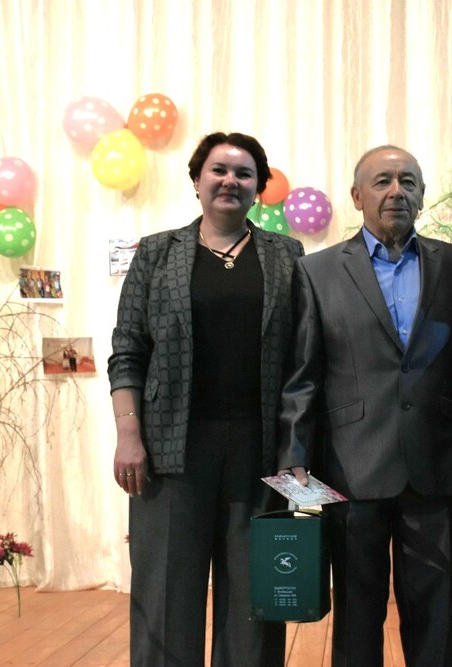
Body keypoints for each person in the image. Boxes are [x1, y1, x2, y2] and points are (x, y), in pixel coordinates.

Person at [277, 145, 452, 667]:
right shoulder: (318, 271)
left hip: (433, 464)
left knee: (435, 612)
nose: (396, 192)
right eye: (383, 181)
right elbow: (303, 374)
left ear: (422, 195)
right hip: (350, 467)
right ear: (356, 196)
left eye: (408, 182)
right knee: (357, 613)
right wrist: (293, 461)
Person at [108, 132, 304, 667]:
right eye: (218, 170)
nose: (230, 181)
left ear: (259, 187)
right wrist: (128, 434)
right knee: (165, 595)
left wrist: (299, 450)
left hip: (260, 451)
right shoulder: (156, 252)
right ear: (196, 180)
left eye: (244, 173)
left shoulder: (286, 255)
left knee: (256, 603)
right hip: (170, 451)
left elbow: (302, 359)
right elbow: (128, 350)